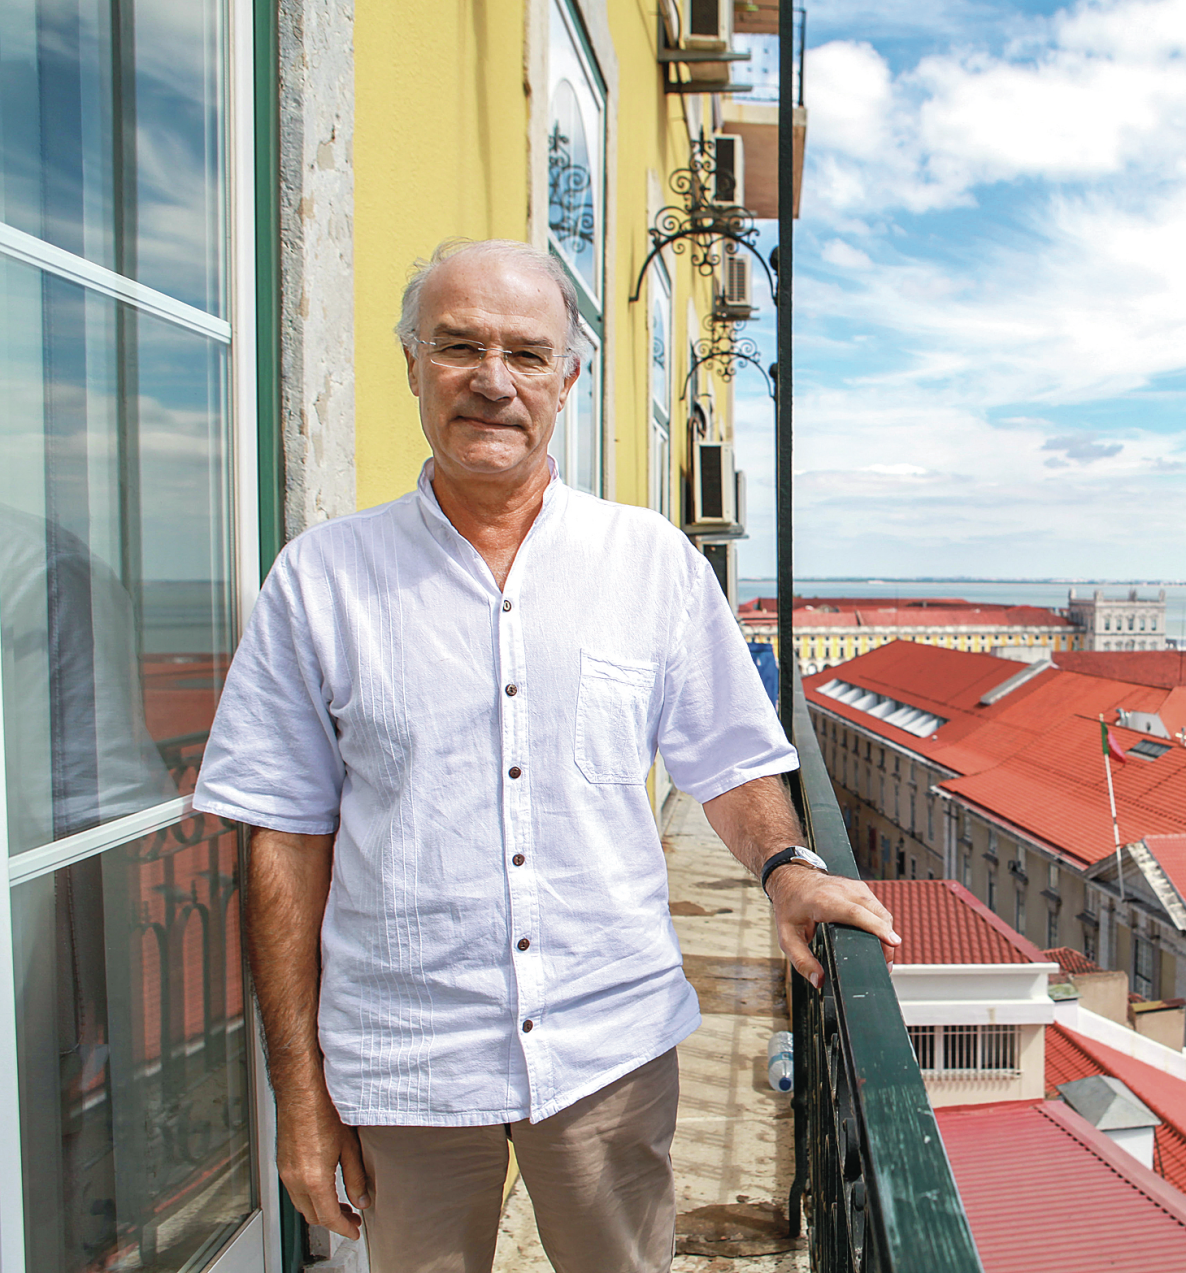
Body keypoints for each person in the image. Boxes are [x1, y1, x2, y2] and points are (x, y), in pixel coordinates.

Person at [192, 237, 897, 1273]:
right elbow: (284, 846)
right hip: (408, 1066)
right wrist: (299, 1099)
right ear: (411, 365)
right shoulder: (321, 582)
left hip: (607, 1053)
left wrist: (789, 868)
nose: (492, 379)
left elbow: (731, 759)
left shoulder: (649, 560)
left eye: (526, 353)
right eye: (459, 345)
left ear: (567, 379)